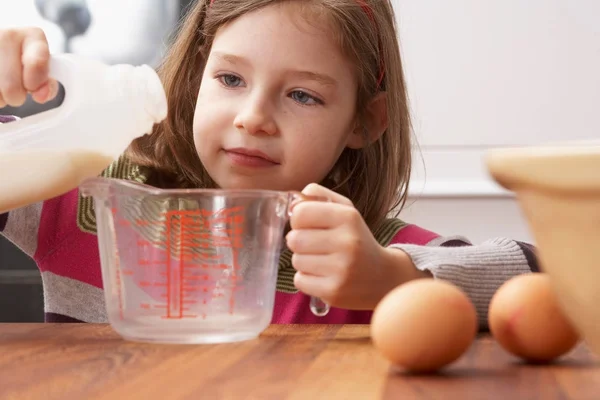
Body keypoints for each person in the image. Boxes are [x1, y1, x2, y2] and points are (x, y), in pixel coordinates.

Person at [0, 0, 538, 328]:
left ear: (364, 122)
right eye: (231, 80)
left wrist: (391, 279)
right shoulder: (92, 203)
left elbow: (542, 277)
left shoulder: (362, 249)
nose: (253, 118)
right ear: (196, 78)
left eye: (303, 95)